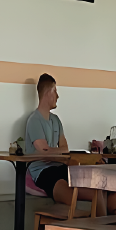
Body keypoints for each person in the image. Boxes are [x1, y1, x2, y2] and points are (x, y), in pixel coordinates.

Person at [26, 74, 78, 205]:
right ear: (48, 93)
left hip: (59, 167)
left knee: (91, 181)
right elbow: (44, 153)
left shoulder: (56, 120)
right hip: (42, 172)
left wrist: (54, 154)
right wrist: (57, 153)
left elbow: (65, 149)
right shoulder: (34, 120)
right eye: (55, 91)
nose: (57, 96)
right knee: (63, 185)